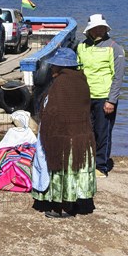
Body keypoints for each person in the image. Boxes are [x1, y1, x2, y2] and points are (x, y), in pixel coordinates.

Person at [31, 48, 96, 218]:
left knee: (63, 171)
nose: (51, 69)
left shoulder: (61, 84)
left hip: (64, 138)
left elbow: (53, 111)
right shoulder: (81, 80)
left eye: (54, 66)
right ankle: (74, 201)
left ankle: (63, 207)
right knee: (75, 170)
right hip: (81, 135)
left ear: (60, 67)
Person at [77, 14, 125, 178]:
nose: (99, 30)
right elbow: (78, 71)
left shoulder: (114, 48)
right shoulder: (81, 47)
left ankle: (101, 166)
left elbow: (118, 77)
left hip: (104, 97)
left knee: (102, 132)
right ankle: (87, 162)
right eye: (96, 27)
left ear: (105, 28)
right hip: (84, 96)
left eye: (102, 27)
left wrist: (111, 100)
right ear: (89, 30)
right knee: (85, 131)